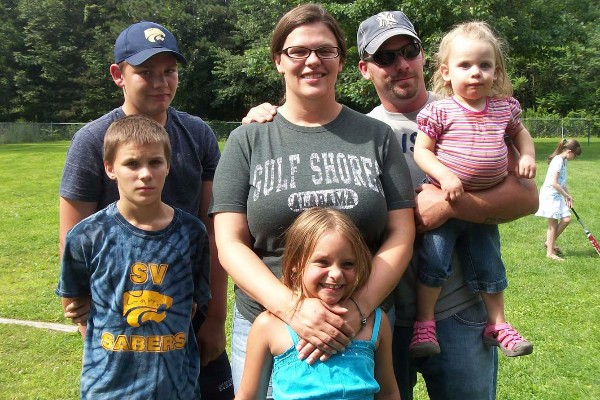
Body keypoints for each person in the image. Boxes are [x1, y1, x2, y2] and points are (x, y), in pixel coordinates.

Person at [245, 10, 539, 399]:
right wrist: (265, 114)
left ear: (424, 57)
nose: (401, 64)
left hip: (457, 309)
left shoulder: (471, 110)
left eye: (409, 50)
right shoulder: (358, 133)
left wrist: (451, 206)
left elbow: (527, 197)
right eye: (385, 57)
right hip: (381, 314)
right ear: (364, 69)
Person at [211, 4, 416, 398]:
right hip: (269, 329)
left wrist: (358, 309)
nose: (312, 61)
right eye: (298, 51)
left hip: (361, 328)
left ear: (341, 60)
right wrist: (293, 310)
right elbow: (230, 242)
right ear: (278, 60)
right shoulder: (247, 140)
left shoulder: (377, 136)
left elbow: (401, 233)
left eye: (325, 50)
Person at [58, 21, 233, 399]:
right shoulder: (93, 140)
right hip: (122, 318)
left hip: (189, 305)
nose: (160, 82)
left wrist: (216, 317)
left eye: (169, 71)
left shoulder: (197, 133)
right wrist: (89, 320)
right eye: (146, 72)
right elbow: (74, 238)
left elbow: (214, 230)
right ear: (118, 75)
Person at [56, 115, 209, 399]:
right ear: (110, 168)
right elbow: (74, 305)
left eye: (155, 162)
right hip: (108, 388)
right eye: (132, 164)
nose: (145, 174)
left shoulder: (192, 233)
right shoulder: (87, 235)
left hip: (175, 387)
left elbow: (194, 304)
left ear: (168, 165)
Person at [409, 21, 536, 359]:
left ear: (496, 71)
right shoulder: (440, 110)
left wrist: (527, 156)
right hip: (444, 199)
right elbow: (422, 152)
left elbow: (521, 134)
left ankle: (498, 324)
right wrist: (445, 175)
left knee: (489, 264)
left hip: (485, 208)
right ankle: (425, 323)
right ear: (446, 72)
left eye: (485, 65)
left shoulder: (503, 107)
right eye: (465, 65)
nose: (476, 72)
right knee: (434, 261)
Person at [236, 208, 400, 400]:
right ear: (296, 263)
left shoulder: (375, 322)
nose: (336, 274)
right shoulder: (268, 326)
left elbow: (388, 393)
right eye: (322, 262)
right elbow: (248, 396)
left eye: (348, 264)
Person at [535, 139, 581, 260]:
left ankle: (548, 243)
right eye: (575, 155)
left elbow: (562, 183)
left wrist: (568, 196)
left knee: (566, 219)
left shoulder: (564, 161)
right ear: (569, 151)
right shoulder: (558, 161)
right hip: (550, 195)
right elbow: (554, 183)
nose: (574, 158)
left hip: (557, 195)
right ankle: (550, 253)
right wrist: (566, 195)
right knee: (553, 224)